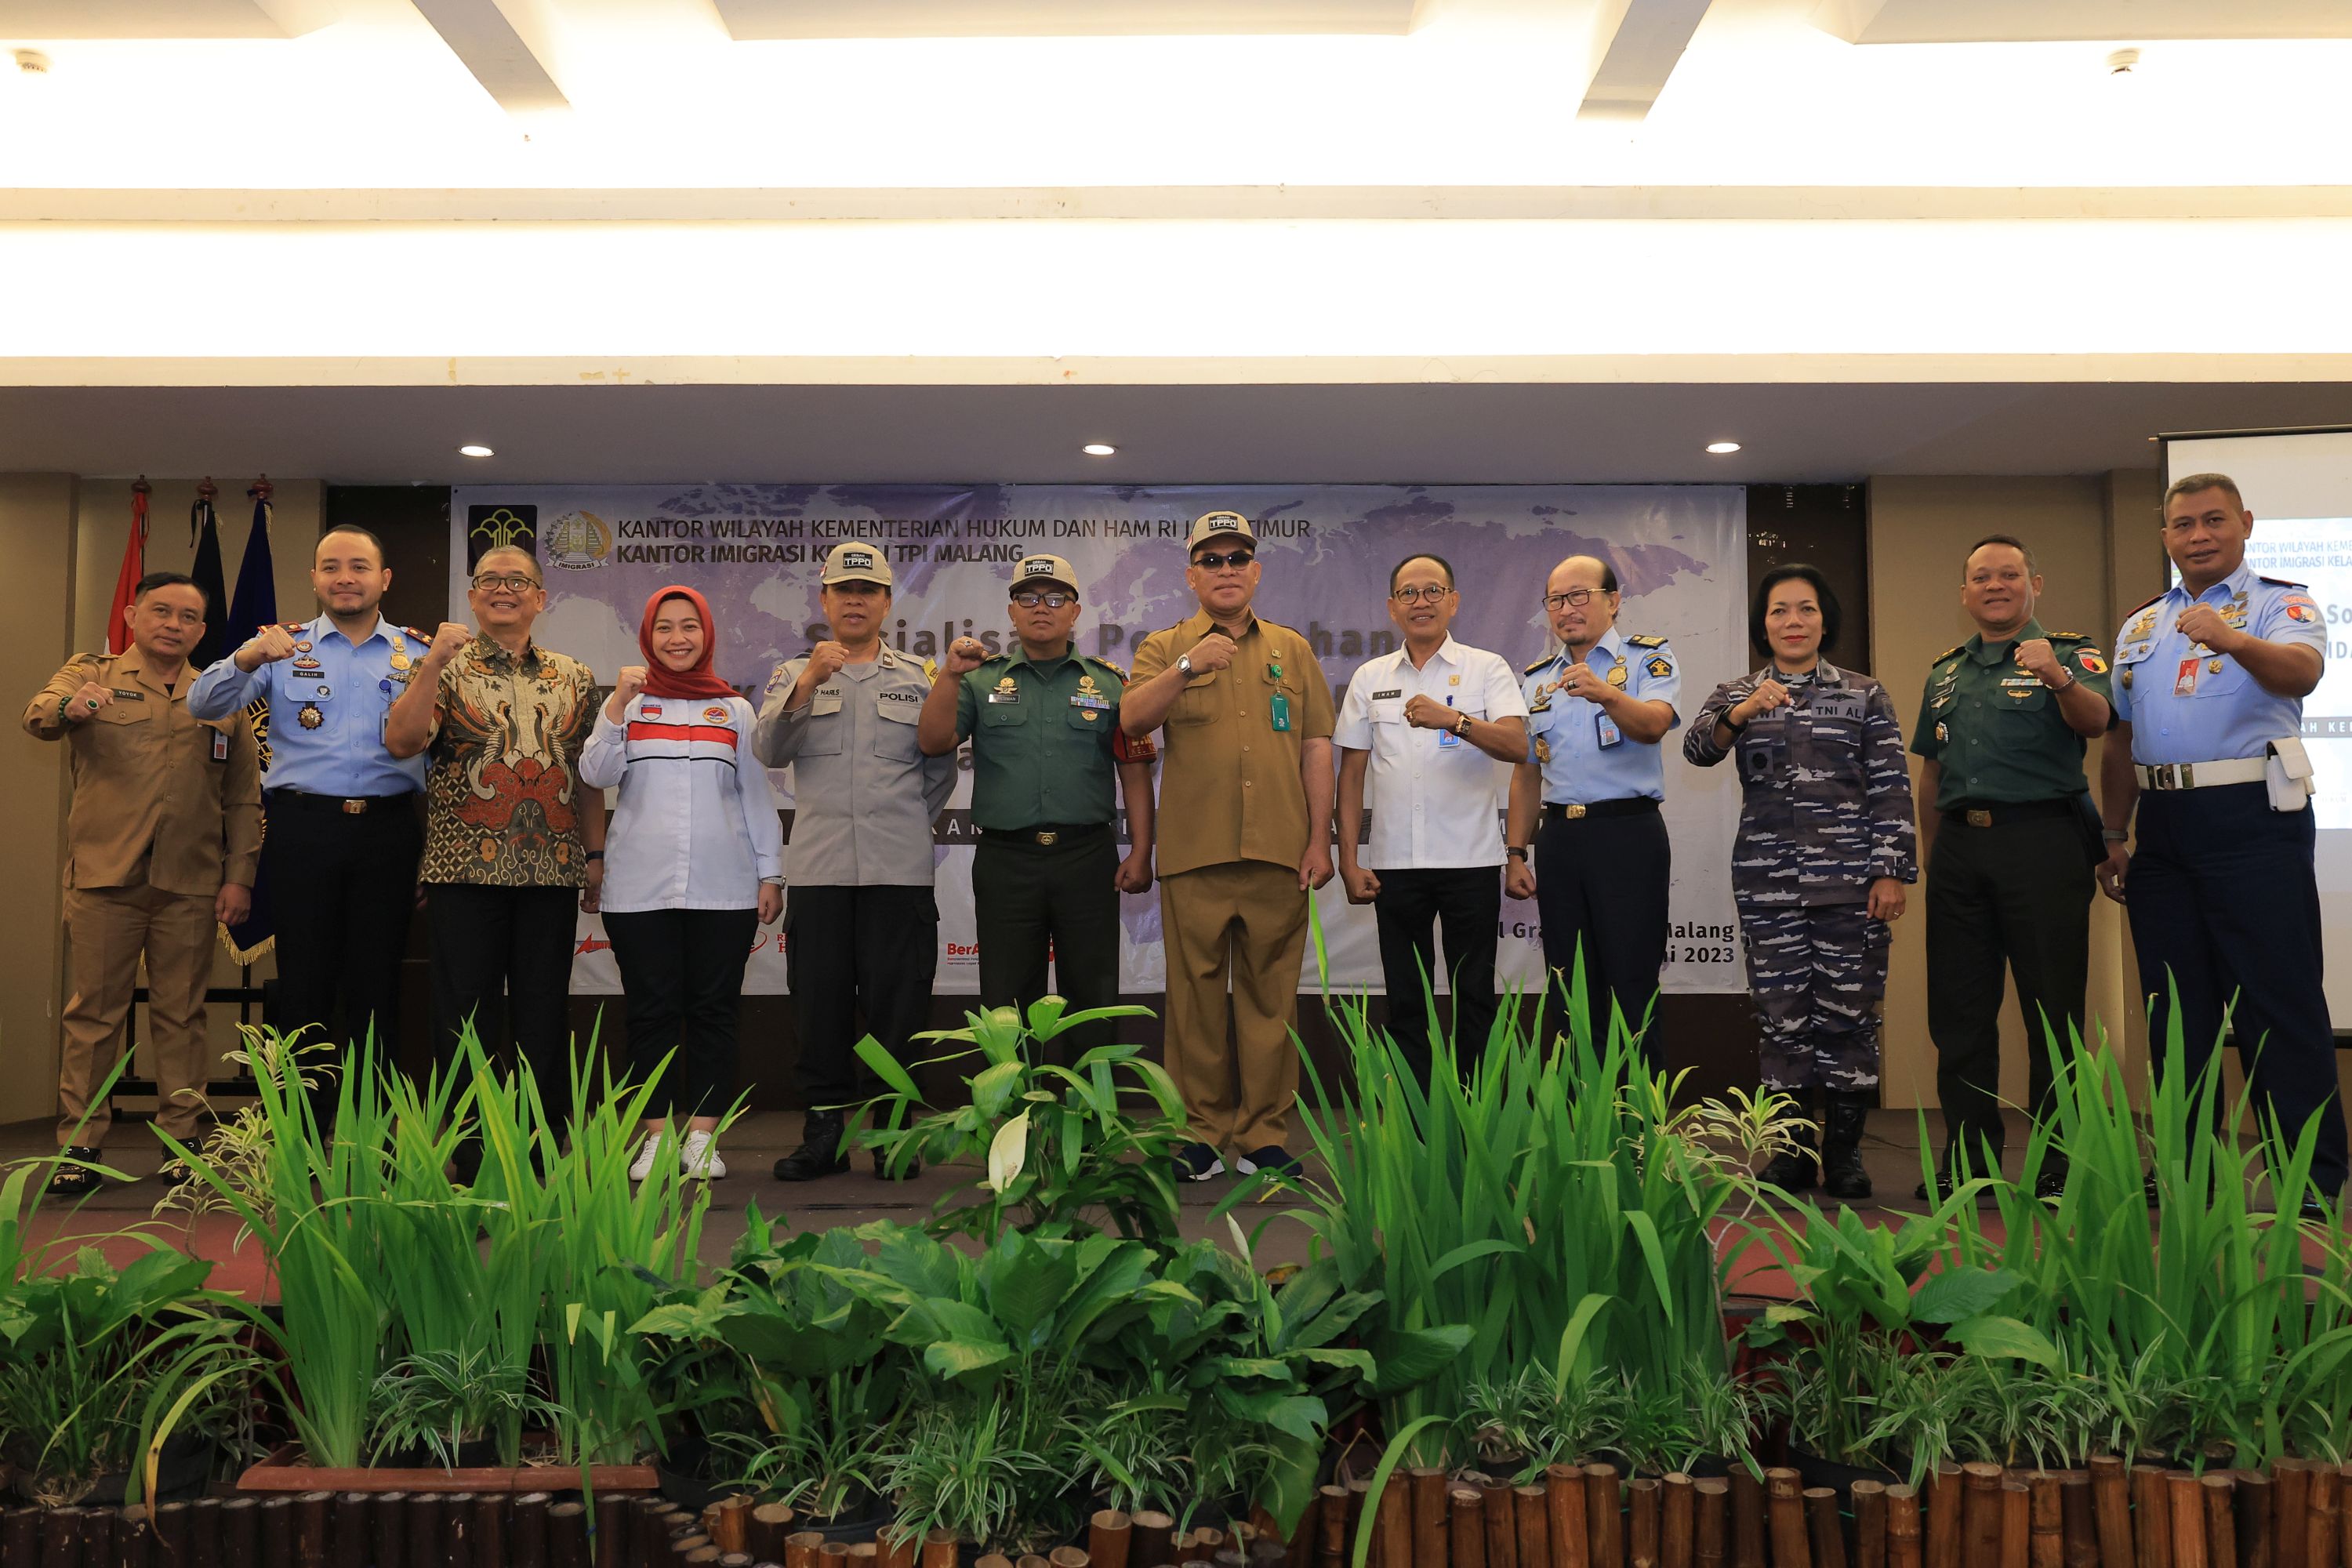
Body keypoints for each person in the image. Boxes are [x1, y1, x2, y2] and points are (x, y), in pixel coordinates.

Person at [2100, 472, 2349, 1204]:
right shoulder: (2141, 624)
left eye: (2214, 520)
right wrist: (2113, 832)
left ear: (2245, 523)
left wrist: (2233, 639)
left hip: (2252, 820)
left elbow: (2301, 675)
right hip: (2162, 826)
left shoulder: (2281, 603)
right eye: (2183, 524)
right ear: (2166, 536)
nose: (2199, 535)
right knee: (2175, 1009)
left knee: (2279, 1002)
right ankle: (2187, 1176)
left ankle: (2308, 1179)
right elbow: (2119, 738)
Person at [1685, 564, 1915, 1200]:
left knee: (1849, 1017)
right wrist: (1742, 711)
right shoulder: (1737, 692)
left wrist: (1890, 871)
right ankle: (1789, 1152)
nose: (1793, 621)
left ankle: (1843, 1154)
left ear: (1824, 620)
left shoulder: (1864, 694)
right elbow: (1698, 750)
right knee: (1781, 1018)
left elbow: (1891, 786)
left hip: (1851, 886)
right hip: (1769, 886)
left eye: (1806, 609)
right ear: (1763, 625)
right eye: (1779, 611)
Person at [27, 572, 260, 1192]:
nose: (173, 625)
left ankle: (182, 1142)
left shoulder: (220, 696)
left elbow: (242, 800)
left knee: (182, 1016)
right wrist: (70, 707)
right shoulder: (92, 672)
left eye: (187, 617)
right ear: (133, 615)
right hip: (106, 877)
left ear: (202, 630)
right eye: (161, 611)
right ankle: (80, 1146)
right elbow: (39, 715)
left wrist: (239, 877)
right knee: (94, 1016)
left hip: (189, 882)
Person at [1122, 511, 1335, 1181]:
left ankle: (1264, 1135)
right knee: (1195, 1005)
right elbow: (1132, 719)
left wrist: (1320, 840)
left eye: (1237, 558)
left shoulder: (1292, 649)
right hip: (1195, 854)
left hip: (1279, 852)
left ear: (1256, 571)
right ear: (1191, 576)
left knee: (1272, 1001)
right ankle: (1202, 1136)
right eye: (1211, 560)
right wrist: (1189, 666)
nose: (1225, 570)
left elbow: (1316, 746)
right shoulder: (1165, 646)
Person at [383, 546, 602, 1164]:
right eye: (490, 580)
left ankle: (542, 1147)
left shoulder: (575, 675)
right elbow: (401, 742)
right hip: (464, 871)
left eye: (518, 581)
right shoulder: (441, 666)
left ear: (541, 597)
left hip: (552, 870)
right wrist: (433, 664)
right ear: (473, 596)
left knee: (543, 1013)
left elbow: (589, 775)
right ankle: (473, 1149)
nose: (503, 589)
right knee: (463, 1017)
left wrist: (595, 854)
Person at [1911, 535, 2114, 1200]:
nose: (1995, 585)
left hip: (2043, 844)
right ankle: (1969, 1164)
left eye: (2008, 574)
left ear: (2035, 584)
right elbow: (1932, 774)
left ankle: (2059, 1166)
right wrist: (1934, 858)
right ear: (1964, 593)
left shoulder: (2070, 653)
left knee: (2051, 1011)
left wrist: (2057, 677)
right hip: (1960, 852)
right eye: (1981, 577)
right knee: (1960, 1015)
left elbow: (2098, 721)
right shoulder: (1944, 673)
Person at [188, 525, 427, 1064]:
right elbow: (202, 705)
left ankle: (372, 1112)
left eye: (360, 567)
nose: (346, 578)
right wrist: (247, 658)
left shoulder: (418, 653)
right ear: (315, 578)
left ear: (385, 579)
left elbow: (444, 755)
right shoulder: (279, 646)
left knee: (378, 982)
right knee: (304, 981)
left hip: (389, 830)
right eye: (332, 567)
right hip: (303, 829)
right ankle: (302, 1114)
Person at [754, 543, 956, 1181]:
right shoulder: (794, 673)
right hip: (821, 871)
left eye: (868, 590)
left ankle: (894, 1135)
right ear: (824, 600)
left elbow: (939, 770)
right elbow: (768, 750)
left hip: (899, 869)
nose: (855, 600)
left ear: (887, 603)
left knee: (899, 1008)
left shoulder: (920, 678)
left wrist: (899, 820)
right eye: (843, 590)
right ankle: (823, 1136)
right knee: (819, 1007)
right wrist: (810, 682)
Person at [917, 554, 1158, 1058]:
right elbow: (934, 742)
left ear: (1075, 611)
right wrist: (950, 677)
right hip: (1007, 860)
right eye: (1028, 597)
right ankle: (1011, 1107)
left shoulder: (1109, 683)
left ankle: (1090, 1108)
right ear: (1012, 611)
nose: (1040, 607)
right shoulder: (981, 681)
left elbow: (1134, 771)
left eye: (1054, 598)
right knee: (1006, 997)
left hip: (1086, 857)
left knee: (1092, 994)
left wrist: (1141, 852)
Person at [580, 586, 782, 1181]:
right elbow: (594, 772)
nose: (677, 638)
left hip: (724, 888)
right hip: (638, 890)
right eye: (664, 627)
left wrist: (770, 872)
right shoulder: (627, 705)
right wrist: (616, 705)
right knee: (650, 1013)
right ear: (647, 636)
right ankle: (655, 1139)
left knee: (714, 1012)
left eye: (689, 626)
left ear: (706, 634)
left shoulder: (735, 710)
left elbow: (755, 798)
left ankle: (702, 1139)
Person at [1334, 554, 1528, 1081]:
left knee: (1474, 999)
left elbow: (1518, 746)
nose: (1421, 602)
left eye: (1433, 591)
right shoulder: (1370, 677)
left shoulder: (1487, 668)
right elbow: (1351, 775)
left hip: (1470, 862)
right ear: (1392, 607)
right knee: (1405, 1002)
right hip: (1395, 866)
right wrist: (1349, 860)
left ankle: (1477, 1119)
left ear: (1454, 601)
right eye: (1409, 593)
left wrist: (1455, 719)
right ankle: (1417, 1121)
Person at [1504, 554, 1681, 1058]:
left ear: (1613, 601)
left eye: (1579, 595)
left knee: (1632, 980)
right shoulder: (1539, 678)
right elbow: (1527, 772)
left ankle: (1640, 1103)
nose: (1567, 609)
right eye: (1556, 600)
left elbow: (1654, 725)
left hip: (1627, 833)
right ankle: (1579, 1102)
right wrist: (1516, 852)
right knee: (1568, 983)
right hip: (1561, 840)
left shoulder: (1647, 658)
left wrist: (1606, 693)